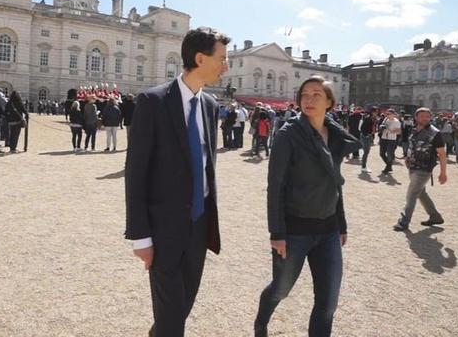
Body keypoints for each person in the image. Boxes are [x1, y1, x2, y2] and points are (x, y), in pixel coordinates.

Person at [125, 27, 229, 337]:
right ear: (200, 58)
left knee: (181, 306)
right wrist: (140, 237)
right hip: (163, 228)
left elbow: (206, 164)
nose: (226, 66)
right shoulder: (153, 101)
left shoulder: (210, 106)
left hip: (199, 225)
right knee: (171, 317)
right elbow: (136, 173)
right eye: (222, 59)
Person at [254, 77, 360, 337]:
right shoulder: (287, 135)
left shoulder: (335, 135)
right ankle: (261, 323)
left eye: (316, 94)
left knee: (328, 302)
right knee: (281, 289)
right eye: (305, 94)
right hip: (294, 231)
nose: (309, 99)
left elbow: (335, 182)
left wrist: (342, 223)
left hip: (328, 230)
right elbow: (275, 186)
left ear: (330, 102)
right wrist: (277, 233)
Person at [393, 107, 447, 231]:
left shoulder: (435, 133)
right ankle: (435, 216)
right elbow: (411, 146)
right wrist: (407, 158)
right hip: (412, 166)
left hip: (424, 169)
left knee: (412, 193)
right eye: (422, 116)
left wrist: (443, 173)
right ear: (416, 117)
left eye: (427, 116)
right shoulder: (413, 130)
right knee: (420, 193)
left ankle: (404, 221)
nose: (425, 118)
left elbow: (442, 154)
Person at [379, 109, 401, 174]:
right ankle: (389, 166)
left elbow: (398, 132)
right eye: (386, 114)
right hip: (384, 138)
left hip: (391, 139)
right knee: (381, 153)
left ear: (393, 114)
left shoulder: (396, 121)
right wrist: (381, 127)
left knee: (389, 154)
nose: (387, 115)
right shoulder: (386, 119)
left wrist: (389, 130)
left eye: (388, 114)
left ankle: (388, 167)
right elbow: (381, 125)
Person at [359, 107, 378, 173]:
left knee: (366, 151)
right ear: (372, 112)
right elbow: (362, 128)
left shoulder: (370, 118)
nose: (377, 113)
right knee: (366, 152)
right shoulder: (368, 118)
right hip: (366, 136)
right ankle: (363, 167)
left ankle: (364, 166)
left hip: (367, 136)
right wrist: (367, 134)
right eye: (376, 111)